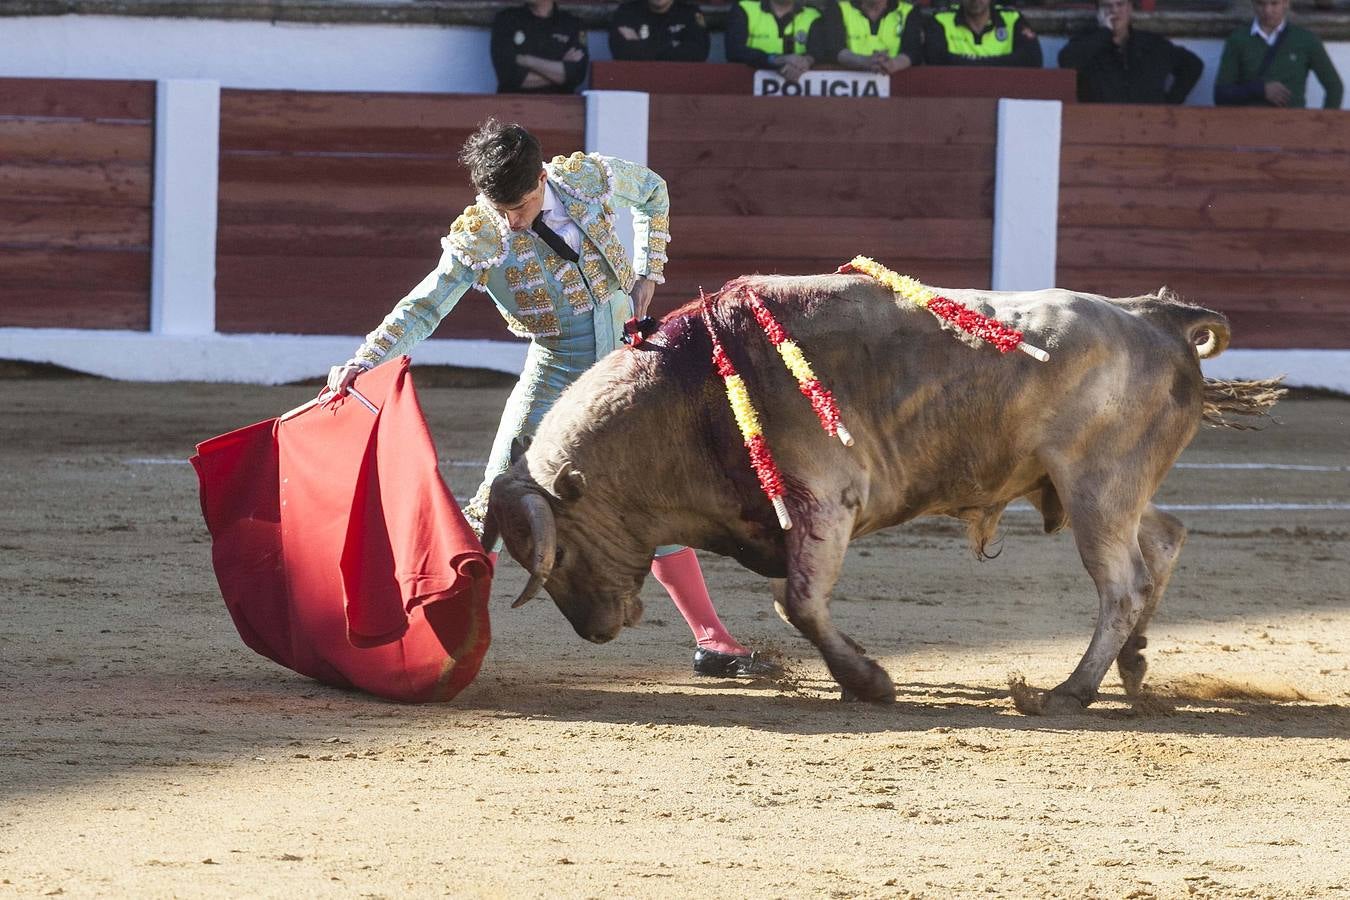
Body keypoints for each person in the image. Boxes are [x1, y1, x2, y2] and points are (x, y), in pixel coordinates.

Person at [326, 120, 773, 679]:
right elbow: (426, 305)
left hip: (625, 368)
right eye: (502, 209)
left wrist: (649, 270)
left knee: (655, 499)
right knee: (494, 499)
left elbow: (654, 190)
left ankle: (714, 642)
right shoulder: (479, 237)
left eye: (522, 204)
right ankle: (432, 643)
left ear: (542, 177)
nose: (513, 221)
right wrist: (367, 358)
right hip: (557, 365)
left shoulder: (585, 180)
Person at [1058, 0, 1202, 104]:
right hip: (1102, 129)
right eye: (1106, 6)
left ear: (1130, 8)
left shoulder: (1152, 44)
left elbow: (1192, 65)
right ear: (1098, 12)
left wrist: (1170, 103)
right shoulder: (1086, 44)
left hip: (1149, 130)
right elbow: (1066, 61)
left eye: (1120, 4)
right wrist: (1105, 32)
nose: (1114, 10)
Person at [1214, 0, 1342, 109]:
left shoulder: (1305, 39)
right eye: (1260, 4)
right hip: (1249, 126)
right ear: (1253, 4)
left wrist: (1324, 126)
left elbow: (1334, 87)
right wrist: (1260, 90)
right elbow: (1220, 94)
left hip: (1293, 126)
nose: (1267, 10)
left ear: (1286, 3)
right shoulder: (1238, 39)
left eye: (1274, 3)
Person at [490, 0, 589, 94]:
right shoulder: (506, 20)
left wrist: (528, 61)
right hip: (514, 106)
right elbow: (509, 76)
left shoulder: (572, 24)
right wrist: (560, 73)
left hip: (559, 106)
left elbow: (577, 74)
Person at [725, 0, 829, 84]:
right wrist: (776, 60)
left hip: (803, 94)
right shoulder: (745, 8)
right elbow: (734, 51)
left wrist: (805, 61)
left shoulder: (813, 15)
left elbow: (820, 51)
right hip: (747, 89)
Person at [818, 0, 924, 76]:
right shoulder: (838, 7)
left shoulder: (908, 11)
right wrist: (865, 61)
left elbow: (913, 51)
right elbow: (834, 49)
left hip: (896, 85)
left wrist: (893, 64)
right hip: (849, 84)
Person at [924, 0, 1042, 67]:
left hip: (1004, 93)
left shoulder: (1012, 18)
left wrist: (969, 63)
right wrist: (996, 64)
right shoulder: (941, 19)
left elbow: (1033, 59)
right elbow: (935, 59)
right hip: (955, 95)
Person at [608, 0, 711, 62]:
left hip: (679, 83)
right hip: (637, 82)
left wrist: (643, 46)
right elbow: (621, 51)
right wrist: (672, 45)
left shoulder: (690, 13)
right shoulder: (627, 12)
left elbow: (698, 53)